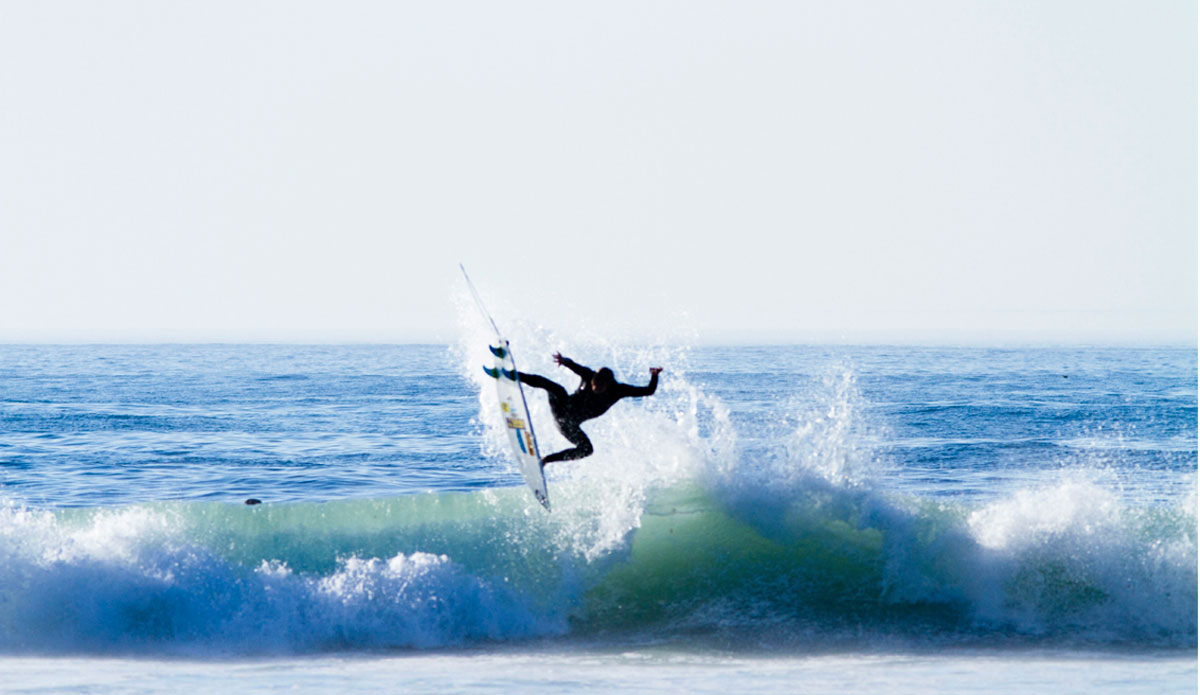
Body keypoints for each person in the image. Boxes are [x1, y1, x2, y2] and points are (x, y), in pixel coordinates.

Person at [516, 352, 662, 466]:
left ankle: (546, 460)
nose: (596, 388)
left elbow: (648, 391)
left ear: (609, 385)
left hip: (569, 426)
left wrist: (654, 376)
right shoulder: (588, 374)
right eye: (594, 384)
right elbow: (572, 365)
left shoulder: (618, 390)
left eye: (600, 386)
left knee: (587, 450)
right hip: (561, 408)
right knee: (557, 389)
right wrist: (564, 360)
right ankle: (515, 376)